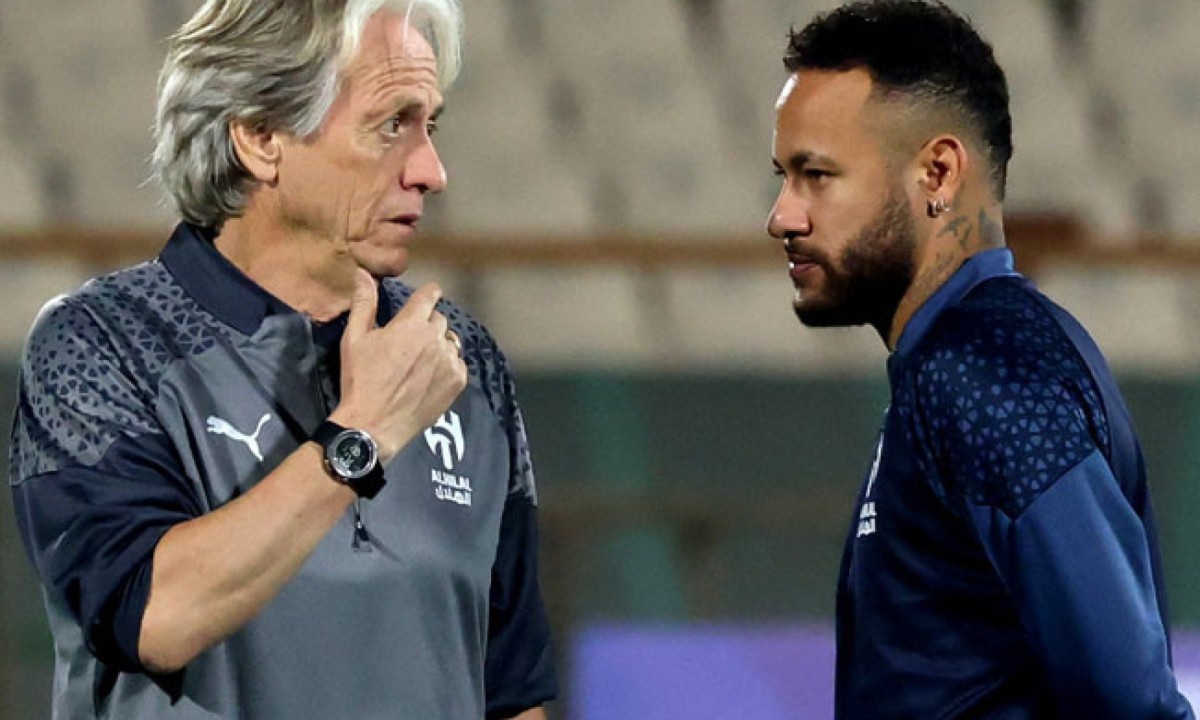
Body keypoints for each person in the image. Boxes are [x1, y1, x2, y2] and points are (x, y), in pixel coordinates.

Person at [8, 1, 555, 718]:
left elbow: (512, 687)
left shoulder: (462, 361)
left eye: (431, 126)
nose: (431, 170)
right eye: (392, 124)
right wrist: (361, 434)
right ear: (260, 136)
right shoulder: (103, 343)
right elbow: (155, 615)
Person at [767, 1, 1195, 717]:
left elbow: (1131, 701)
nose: (783, 215)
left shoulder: (985, 374)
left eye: (816, 175)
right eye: (783, 175)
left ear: (937, 173)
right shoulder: (960, 360)